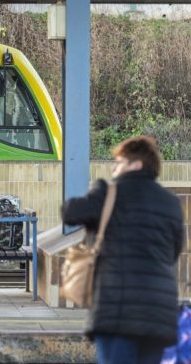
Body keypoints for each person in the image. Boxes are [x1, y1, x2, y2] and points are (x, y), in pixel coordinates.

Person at [62, 136, 183, 364]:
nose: (113, 167)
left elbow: (71, 213)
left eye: (119, 161)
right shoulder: (171, 202)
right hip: (158, 314)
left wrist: (96, 193)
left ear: (136, 164)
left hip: (118, 312)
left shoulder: (108, 193)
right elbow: (174, 251)